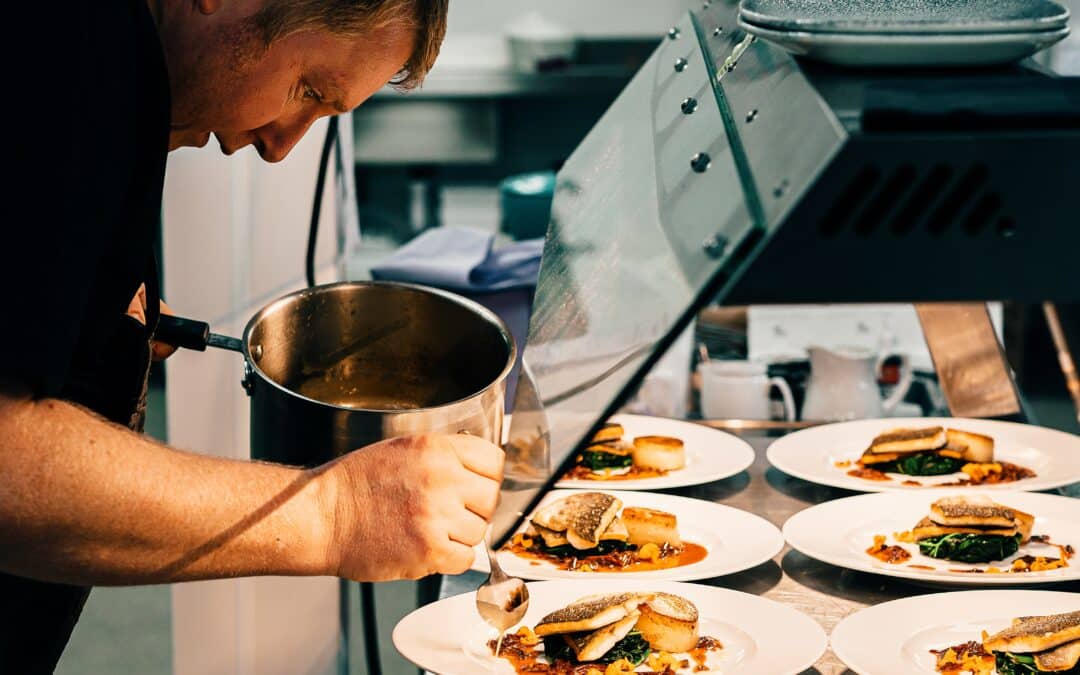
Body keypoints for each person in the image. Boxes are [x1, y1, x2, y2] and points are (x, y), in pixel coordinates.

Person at [2, 0, 504, 672]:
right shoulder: (75, 45)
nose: (279, 145)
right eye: (310, 90)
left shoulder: (120, 74)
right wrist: (336, 513)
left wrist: (84, 318)